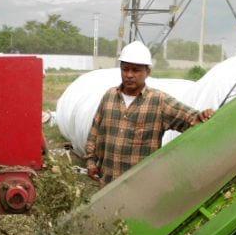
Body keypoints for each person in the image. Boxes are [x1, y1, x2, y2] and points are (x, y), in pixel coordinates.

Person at [85, 41, 214, 185]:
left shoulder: (159, 101)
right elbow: (94, 132)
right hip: (106, 183)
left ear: (147, 72)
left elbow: (192, 119)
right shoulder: (109, 96)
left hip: (140, 187)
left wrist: (203, 115)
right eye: (125, 69)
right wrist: (90, 162)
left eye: (136, 70)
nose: (129, 75)